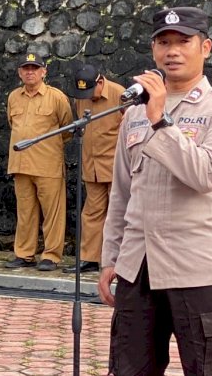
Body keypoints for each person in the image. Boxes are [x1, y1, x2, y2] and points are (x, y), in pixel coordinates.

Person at [98, 7, 212, 376]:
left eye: (184, 42)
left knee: (210, 368)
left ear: (206, 47)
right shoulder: (134, 113)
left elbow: (206, 174)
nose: (173, 51)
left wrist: (161, 121)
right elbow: (121, 192)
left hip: (195, 267)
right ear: (153, 51)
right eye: (163, 42)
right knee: (130, 369)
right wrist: (110, 256)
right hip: (138, 266)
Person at [5, 53, 73, 271]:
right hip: (21, 163)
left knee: (52, 213)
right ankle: (24, 254)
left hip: (47, 164)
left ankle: (51, 255)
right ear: (19, 72)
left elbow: (67, 129)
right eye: (26, 68)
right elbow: (11, 123)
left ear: (44, 71)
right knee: (25, 212)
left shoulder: (56, 97)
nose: (30, 72)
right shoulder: (14, 97)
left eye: (35, 68)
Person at [63, 64, 123, 274]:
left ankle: (116, 261)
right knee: (91, 213)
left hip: (115, 165)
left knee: (117, 213)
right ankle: (89, 258)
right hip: (92, 164)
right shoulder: (82, 97)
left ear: (100, 82)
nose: (88, 96)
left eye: (91, 91)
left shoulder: (119, 94)